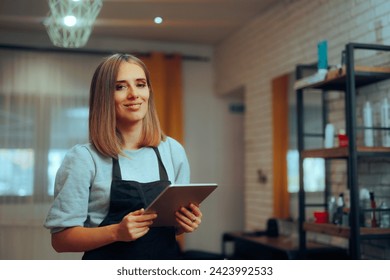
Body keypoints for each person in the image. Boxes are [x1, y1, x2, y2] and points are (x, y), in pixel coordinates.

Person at [44, 53, 202, 260]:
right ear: (104, 96)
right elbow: (61, 241)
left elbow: (172, 228)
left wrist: (184, 223)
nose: (134, 94)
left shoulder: (172, 150)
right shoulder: (83, 159)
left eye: (140, 84)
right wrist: (116, 232)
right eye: (120, 87)